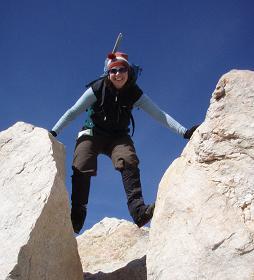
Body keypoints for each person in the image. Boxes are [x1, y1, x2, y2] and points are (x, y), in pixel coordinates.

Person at [50, 52, 199, 234]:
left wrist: (184, 132)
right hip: (92, 131)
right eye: (113, 71)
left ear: (128, 71)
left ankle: (139, 211)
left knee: (128, 158)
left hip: (118, 136)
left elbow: (159, 115)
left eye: (122, 70)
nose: (118, 74)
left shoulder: (134, 93)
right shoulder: (97, 88)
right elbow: (73, 111)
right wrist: (54, 132)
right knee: (82, 162)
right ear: (108, 73)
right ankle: (77, 215)